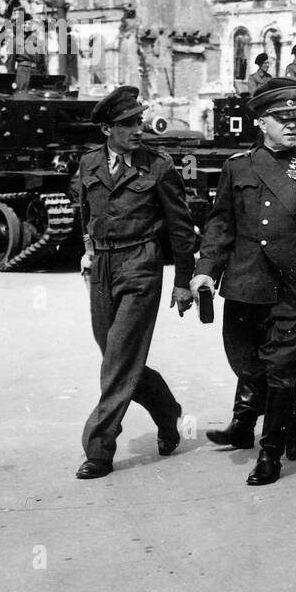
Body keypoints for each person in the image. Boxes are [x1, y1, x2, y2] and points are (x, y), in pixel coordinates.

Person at [190, 79, 296, 485]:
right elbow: (221, 225)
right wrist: (205, 269)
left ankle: (270, 453)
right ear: (261, 122)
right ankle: (294, 411)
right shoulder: (238, 166)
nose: (292, 125)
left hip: (294, 289)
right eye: (282, 119)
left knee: (280, 370)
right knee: (246, 365)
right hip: (245, 286)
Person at [74, 86, 196, 479]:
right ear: (107, 129)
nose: (137, 130)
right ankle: (166, 410)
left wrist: (182, 280)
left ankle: (99, 446)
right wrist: (87, 249)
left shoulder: (158, 166)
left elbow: (181, 231)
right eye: (128, 124)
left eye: (139, 121)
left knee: (120, 356)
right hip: (102, 265)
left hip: (140, 263)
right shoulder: (89, 163)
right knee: (115, 355)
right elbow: (84, 213)